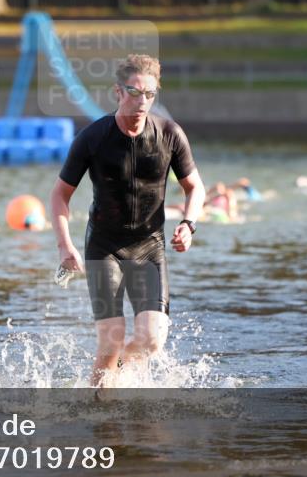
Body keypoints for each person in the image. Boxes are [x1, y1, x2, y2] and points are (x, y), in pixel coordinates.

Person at [50, 54, 205, 391]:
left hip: (149, 247)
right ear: (118, 92)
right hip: (104, 247)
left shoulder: (169, 134)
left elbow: (195, 187)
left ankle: (112, 381)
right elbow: (59, 196)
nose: (141, 102)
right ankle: (99, 407)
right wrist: (65, 245)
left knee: (152, 340)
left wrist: (188, 224)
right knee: (111, 340)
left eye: (149, 94)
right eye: (134, 93)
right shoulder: (93, 138)